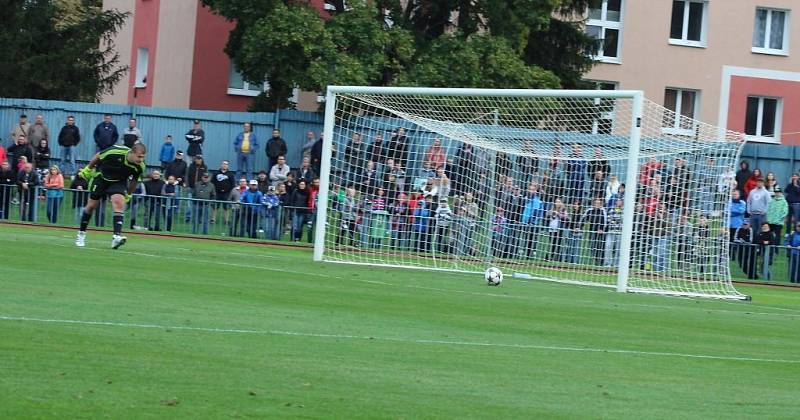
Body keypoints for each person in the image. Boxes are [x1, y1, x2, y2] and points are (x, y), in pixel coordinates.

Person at [74, 143, 146, 249]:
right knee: (91, 207)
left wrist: (129, 194)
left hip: (118, 182)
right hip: (101, 177)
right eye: (139, 156)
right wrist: (88, 169)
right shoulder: (115, 151)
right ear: (131, 152)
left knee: (119, 204)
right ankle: (81, 234)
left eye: (143, 157)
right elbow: (98, 156)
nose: (141, 159)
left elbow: (135, 180)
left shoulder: (140, 166)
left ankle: (116, 237)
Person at [211, 160, 235, 225]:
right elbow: (212, 183)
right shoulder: (216, 173)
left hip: (226, 193)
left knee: (226, 207)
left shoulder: (230, 174)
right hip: (217, 192)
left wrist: (231, 194)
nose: (224, 165)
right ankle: (213, 220)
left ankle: (226, 221)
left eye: (226, 164)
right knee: (215, 206)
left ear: (228, 166)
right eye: (223, 164)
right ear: (221, 165)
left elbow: (233, 185)